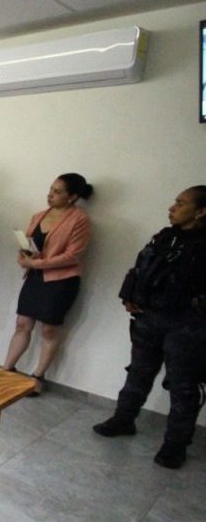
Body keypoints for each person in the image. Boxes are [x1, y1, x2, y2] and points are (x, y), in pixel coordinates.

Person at [93, 185, 206, 469]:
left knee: (183, 387)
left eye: (181, 203)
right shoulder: (165, 237)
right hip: (150, 318)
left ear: (201, 212)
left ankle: (175, 445)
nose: (172, 207)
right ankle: (123, 419)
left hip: (187, 326)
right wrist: (130, 296)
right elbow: (140, 268)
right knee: (138, 372)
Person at [3, 173, 94, 395]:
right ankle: (6, 370)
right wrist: (24, 255)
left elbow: (73, 255)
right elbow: (29, 244)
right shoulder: (39, 215)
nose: (50, 195)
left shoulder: (80, 219)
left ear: (72, 196)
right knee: (22, 324)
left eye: (57, 192)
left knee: (49, 329)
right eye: (51, 189)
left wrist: (37, 263)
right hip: (35, 277)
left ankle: (38, 376)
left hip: (61, 281)